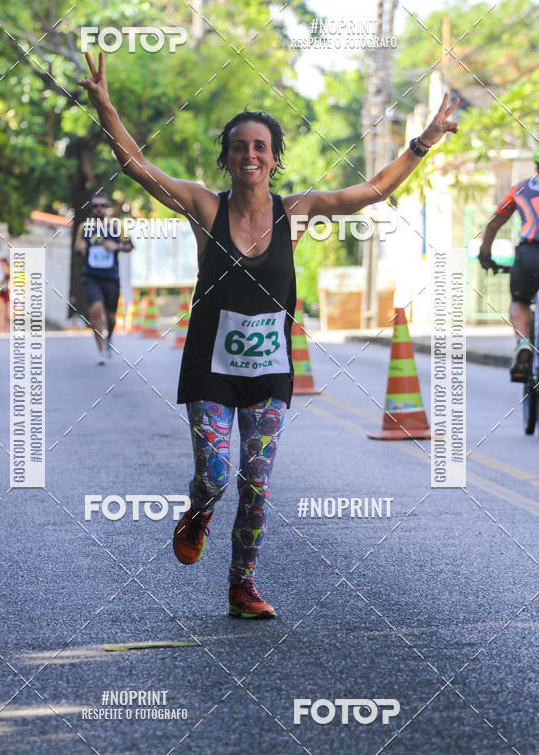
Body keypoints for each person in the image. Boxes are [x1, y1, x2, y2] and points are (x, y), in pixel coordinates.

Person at [79, 51, 459, 618]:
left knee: (256, 482)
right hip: (210, 368)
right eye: (239, 146)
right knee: (213, 478)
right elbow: (136, 166)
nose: (250, 154)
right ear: (228, 158)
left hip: (268, 372)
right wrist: (106, 107)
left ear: (274, 158)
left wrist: (425, 140)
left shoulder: (298, 212)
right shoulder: (206, 206)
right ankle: (198, 511)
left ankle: (242, 585)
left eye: (260, 146)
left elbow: (374, 191)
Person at [479, 147, 539, 381]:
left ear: (535, 167)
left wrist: (486, 255)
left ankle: (523, 342)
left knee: (519, 301)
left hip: (529, 254)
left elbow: (494, 224)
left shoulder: (521, 188)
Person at [74, 192, 133, 364]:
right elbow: (77, 250)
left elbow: (129, 246)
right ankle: (101, 352)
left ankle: (110, 338)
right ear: (91, 208)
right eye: (95, 206)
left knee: (111, 317)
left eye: (102, 205)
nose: (99, 209)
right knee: (96, 311)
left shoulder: (116, 226)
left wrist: (117, 246)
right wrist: (81, 247)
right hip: (91, 276)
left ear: (107, 208)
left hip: (111, 278)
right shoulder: (84, 227)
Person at [0, 257, 10, 333]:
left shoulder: (10, 272)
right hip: (0, 293)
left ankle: (7, 326)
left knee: (8, 312)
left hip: (8, 293)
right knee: (1, 311)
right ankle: (0, 327)